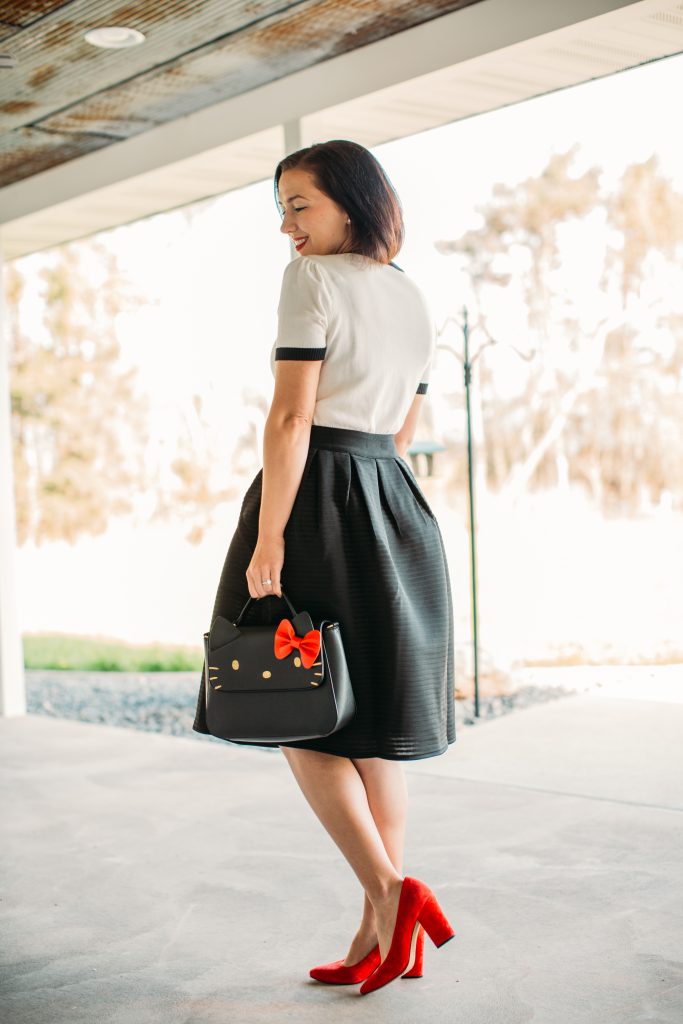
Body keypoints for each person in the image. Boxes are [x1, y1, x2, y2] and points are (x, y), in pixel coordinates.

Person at [192, 139, 456, 993]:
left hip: (313, 500)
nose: (286, 226)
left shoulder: (311, 282)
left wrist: (271, 539)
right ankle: (379, 932)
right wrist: (374, 482)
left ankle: (390, 892)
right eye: (280, 208)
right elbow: (407, 427)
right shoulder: (411, 294)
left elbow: (289, 421)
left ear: (350, 202)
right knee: (369, 722)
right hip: (392, 498)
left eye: (300, 204)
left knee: (289, 704)